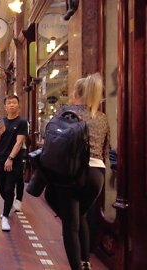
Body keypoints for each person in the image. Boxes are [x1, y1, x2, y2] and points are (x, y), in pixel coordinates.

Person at [48, 74, 110, 270]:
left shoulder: (66, 112)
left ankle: (78, 266)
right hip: (97, 175)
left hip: (72, 173)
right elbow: (106, 149)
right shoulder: (101, 117)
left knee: (71, 224)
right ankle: (86, 261)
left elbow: (52, 138)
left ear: (75, 93)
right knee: (81, 215)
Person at [0, 94, 28, 232]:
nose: (12, 105)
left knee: (9, 188)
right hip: (1, 160)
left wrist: (11, 158)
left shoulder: (22, 122)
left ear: (18, 105)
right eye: (9, 103)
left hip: (15, 160)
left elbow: (19, 142)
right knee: (1, 187)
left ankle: (5, 216)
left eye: (14, 102)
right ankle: (10, 203)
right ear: (5, 106)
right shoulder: (1, 122)